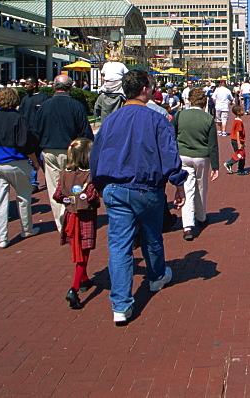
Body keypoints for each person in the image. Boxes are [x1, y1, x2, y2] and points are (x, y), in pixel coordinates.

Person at [90, 70, 187, 326]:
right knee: (151, 235)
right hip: (145, 187)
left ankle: (120, 304)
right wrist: (178, 183)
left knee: (119, 245)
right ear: (145, 88)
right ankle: (155, 276)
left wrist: (98, 184)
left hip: (115, 186)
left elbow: (96, 155)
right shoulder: (156, 120)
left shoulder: (110, 120)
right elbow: (168, 154)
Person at [0, 87, 42, 249]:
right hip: (15, 162)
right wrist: (34, 160)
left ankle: (2, 237)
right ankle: (27, 228)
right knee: (23, 196)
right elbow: (25, 143)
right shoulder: (18, 118)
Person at [34, 75, 94, 231]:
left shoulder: (44, 106)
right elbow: (85, 133)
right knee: (73, 185)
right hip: (71, 150)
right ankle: (72, 216)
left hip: (49, 149)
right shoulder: (76, 106)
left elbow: (36, 130)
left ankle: (61, 222)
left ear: (54, 87)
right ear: (70, 87)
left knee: (54, 187)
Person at [53, 138, 100, 310]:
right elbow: (92, 196)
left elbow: (58, 195)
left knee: (77, 247)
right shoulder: (89, 175)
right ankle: (74, 288)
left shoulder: (65, 173)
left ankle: (84, 279)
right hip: (85, 216)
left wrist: (69, 200)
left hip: (70, 215)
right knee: (83, 253)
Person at [173, 87, 220, 241]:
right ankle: (201, 217)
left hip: (183, 155)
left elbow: (172, 136)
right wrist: (215, 166)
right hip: (202, 156)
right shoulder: (208, 119)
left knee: (187, 189)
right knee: (201, 187)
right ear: (204, 102)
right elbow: (213, 144)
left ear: (189, 100)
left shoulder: (179, 115)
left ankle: (187, 226)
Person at [18, 77, 48, 191]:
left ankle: (49, 180)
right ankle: (33, 183)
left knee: (43, 159)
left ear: (34, 85)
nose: (25, 86)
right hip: (28, 135)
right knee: (31, 160)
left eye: (27, 84)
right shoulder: (25, 99)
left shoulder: (44, 98)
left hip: (40, 136)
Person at [95, 51, 129, 122]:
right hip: (118, 85)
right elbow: (127, 75)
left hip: (108, 85)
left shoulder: (106, 65)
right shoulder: (121, 65)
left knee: (100, 95)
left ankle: (97, 112)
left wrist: (103, 86)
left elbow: (103, 77)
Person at [223, 104, 247, 174]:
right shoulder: (238, 121)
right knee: (240, 155)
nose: (243, 111)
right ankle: (231, 164)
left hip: (236, 140)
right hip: (237, 140)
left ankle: (240, 169)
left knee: (241, 154)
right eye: (242, 110)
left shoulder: (237, 120)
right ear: (238, 112)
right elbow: (238, 132)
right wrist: (239, 143)